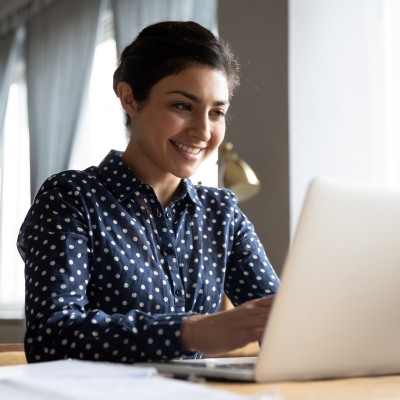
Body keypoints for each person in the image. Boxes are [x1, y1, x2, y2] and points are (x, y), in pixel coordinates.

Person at [17, 21, 279, 364]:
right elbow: (49, 336)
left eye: (216, 112)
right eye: (183, 106)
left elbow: (279, 321)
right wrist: (191, 331)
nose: (203, 131)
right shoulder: (71, 198)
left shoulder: (221, 213)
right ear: (130, 99)